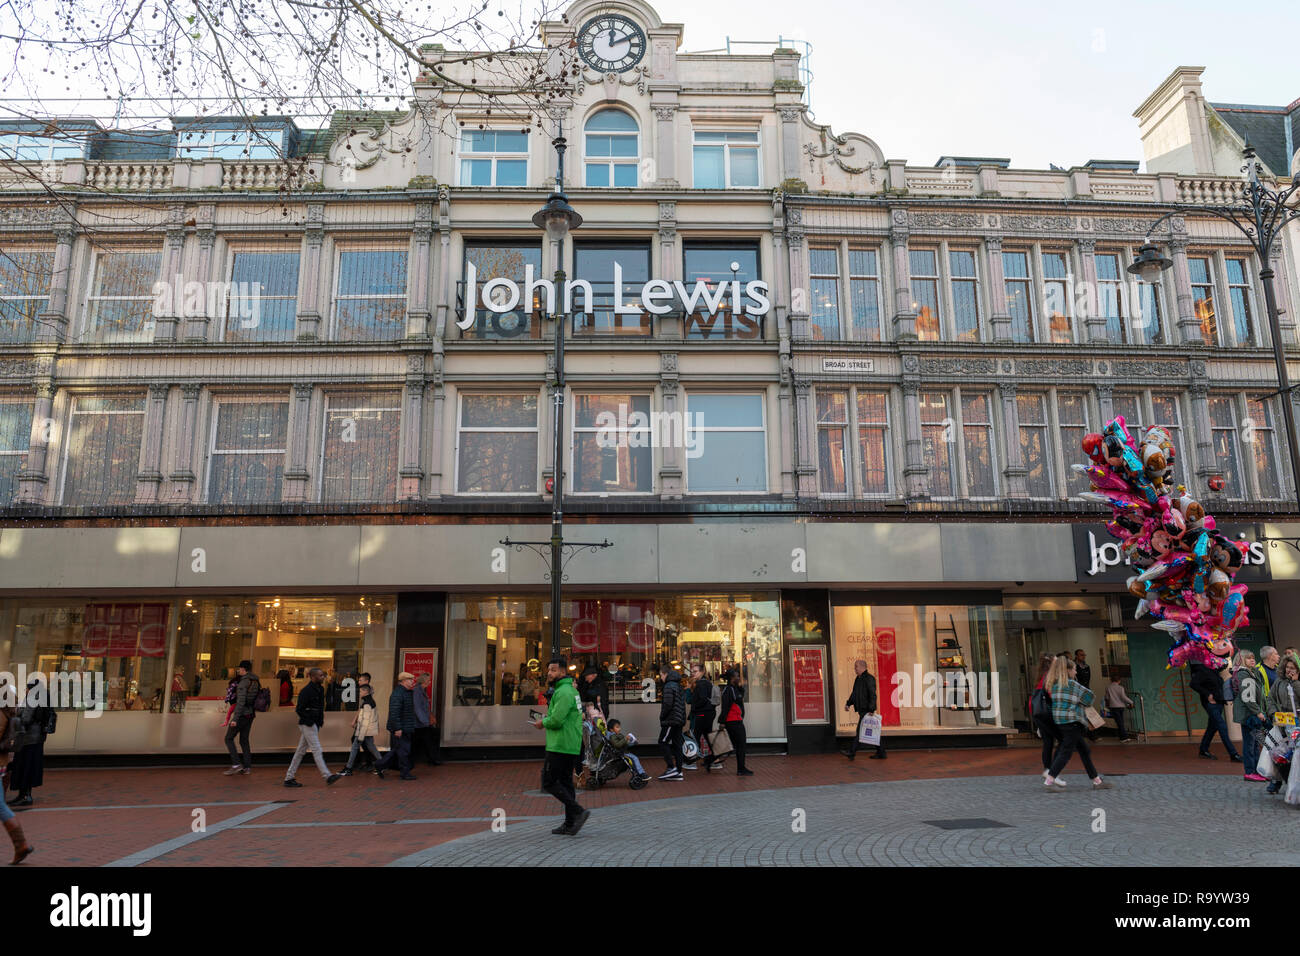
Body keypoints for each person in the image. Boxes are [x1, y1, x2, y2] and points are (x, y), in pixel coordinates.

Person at [532, 657, 589, 836]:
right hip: (571, 743)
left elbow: (556, 720)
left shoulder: (563, 692)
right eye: (549, 669)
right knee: (566, 782)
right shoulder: (571, 691)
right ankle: (570, 823)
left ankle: (578, 811)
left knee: (548, 782)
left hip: (560, 743)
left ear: (563, 672)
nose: (550, 673)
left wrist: (543, 722)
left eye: (554, 670)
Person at [1043, 656, 1112, 791]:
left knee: (1084, 750)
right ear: (1068, 670)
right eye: (1074, 669)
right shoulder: (1073, 685)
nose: (1076, 672)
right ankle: (1049, 780)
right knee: (1066, 751)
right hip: (1072, 721)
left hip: (1061, 721)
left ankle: (1097, 780)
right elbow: (1090, 697)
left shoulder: (1055, 685)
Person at [283, 668, 341, 788]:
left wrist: (319, 721)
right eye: (320, 675)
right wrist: (310, 721)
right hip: (308, 724)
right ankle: (327, 776)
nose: (323, 677)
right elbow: (299, 709)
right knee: (316, 749)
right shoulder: (306, 691)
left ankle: (289, 777)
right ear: (313, 677)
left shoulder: (320, 689)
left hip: (313, 723)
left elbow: (320, 707)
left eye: (322, 675)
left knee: (300, 751)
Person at [0, 684, 34, 864]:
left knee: (0, 806)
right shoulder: (8, 712)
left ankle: (21, 845)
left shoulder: (1, 714)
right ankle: (21, 846)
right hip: (1, 764)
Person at [7, 678, 53, 806]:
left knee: (24, 767)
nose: (25, 690)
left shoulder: (33, 699)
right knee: (30, 767)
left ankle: (25, 796)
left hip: (28, 739)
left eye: (27, 688)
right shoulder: (43, 698)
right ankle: (25, 795)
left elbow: (26, 719)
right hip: (37, 739)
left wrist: (16, 714)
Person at [1189, 658, 1241, 762]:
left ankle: (1203, 749)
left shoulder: (1215, 671)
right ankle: (1233, 754)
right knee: (1222, 726)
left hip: (1219, 702)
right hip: (1211, 703)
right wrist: (1207, 694)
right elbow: (1193, 684)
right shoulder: (1202, 670)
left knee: (1212, 727)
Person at [1265, 656, 1300, 795]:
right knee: (1280, 754)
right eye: (1287, 667)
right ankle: (1278, 781)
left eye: (1293, 668)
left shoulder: (1297, 682)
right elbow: (1270, 698)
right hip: (1282, 724)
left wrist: (1295, 682)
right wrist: (1273, 713)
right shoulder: (1279, 682)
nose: (1289, 670)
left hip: (1297, 725)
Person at [1232, 650, 1268, 782]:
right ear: (1241, 660)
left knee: (1255, 743)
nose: (1252, 660)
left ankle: (1257, 770)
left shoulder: (1252, 673)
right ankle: (1250, 771)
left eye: (1253, 658)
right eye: (1248, 659)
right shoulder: (1243, 674)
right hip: (1249, 716)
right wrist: (1258, 712)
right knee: (1250, 744)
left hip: (1252, 714)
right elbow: (1248, 697)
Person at [375, 672, 417, 780]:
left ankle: (380, 765)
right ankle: (404, 773)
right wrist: (398, 728)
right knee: (403, 751)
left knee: (399, 750)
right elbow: (394, 712)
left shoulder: (406, 692)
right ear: (403, 681)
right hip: (401, 728)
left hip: (405, 726)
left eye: (412, 679)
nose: (412, 681)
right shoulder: (398, 694)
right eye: (410, 679)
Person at [842, 659, 886, 760]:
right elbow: (854, 694)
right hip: (862, 709)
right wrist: (848, 703)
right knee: (874, 731)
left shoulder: (869, 679)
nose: (855, 669)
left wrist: (871, 708)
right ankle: (881, 753)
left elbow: (872, 695)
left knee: (860, 731)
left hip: (867, 710)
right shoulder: (858, 679)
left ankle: (851, 752)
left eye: (856, 667)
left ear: (862, 667)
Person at [222, 661, 260, 776]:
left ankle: (236, 764)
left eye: (239, 668)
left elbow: (240, 702)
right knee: (244, 740)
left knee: (228, 738)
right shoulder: (256, 680)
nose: (239, 670)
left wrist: (235, 719)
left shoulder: (243, 682)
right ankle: (247, 767)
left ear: (243, 669)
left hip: (242, 715)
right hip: (251, 714)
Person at [1030, 653, 1060, 778]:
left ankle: (1047, 768)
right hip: (1047, 714)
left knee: (1048, 742)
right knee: (1063, 741)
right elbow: (1052, 695)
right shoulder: (1050, 677)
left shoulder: (1040, 677)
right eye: (1056, 662)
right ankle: (1052, 770)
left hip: (1038, 714)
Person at [341, 683, 382, 776]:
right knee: (371, 747)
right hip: (367, 731)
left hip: (364, 731)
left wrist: (360, 736)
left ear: (365, 691)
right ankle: (383, 764)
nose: (359, 693)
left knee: (355, 747)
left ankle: (348, 768)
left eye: (360, 691)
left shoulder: (366, 703)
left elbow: (365, 721)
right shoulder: (370, 701)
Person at [689, 664, 723, 771]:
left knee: (695, 736)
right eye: (692, 671)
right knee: (707, 737)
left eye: (695, 671)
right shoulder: (706, 683)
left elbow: (703, 699)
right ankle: (714, 761)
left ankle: (691, 761)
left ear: (702, 672)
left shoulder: (701, 684)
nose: (693, 673)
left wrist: (694, 708)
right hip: (708, 713)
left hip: (703, 713)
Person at [719, 668, 753, 776]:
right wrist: (722, 721)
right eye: (736, 676)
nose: (738, 678)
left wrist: (740, 687)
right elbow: (725, 707)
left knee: (737, 744)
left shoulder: (734, 688)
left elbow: (741, 696)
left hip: (736, 720)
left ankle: (741, 768)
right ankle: (741, 769)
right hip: (733, 721)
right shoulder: (729, 690)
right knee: (741, 744)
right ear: (731, 678)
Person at [657, 666, 687, 781]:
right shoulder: (678, 685)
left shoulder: (669, 686)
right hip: (679, 719)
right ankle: (679, 771)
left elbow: (668, 704)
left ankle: (671, 767)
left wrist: (662, 716)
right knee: (677, 744)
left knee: (663, 741)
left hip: (671, 719)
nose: (661, 678)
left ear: (665, 674)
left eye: (661, 675)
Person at [411, 672, 441, 767]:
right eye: (428, 680)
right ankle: (432, 759)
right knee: (424, 741)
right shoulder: (417, 691)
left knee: (426, 740)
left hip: (421, 722)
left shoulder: (422, 690)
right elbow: (417, 707)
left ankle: (432, 759)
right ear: (424, 681)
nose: (429, 681)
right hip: (419, 722)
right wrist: (425, 721)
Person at [1104, 673, 1135, 742]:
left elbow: (1106, 698)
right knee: (1121, 722)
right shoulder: (1121, 688)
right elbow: (1123, 697)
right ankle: (1124, 737)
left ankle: (1122, 737)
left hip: (1113, 707)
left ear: (1111, 680)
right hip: (1121, 707)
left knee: (1119, 722)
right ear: (1119, 680)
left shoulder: (1108, 687)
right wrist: (1131, 702)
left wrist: (1107, 705)